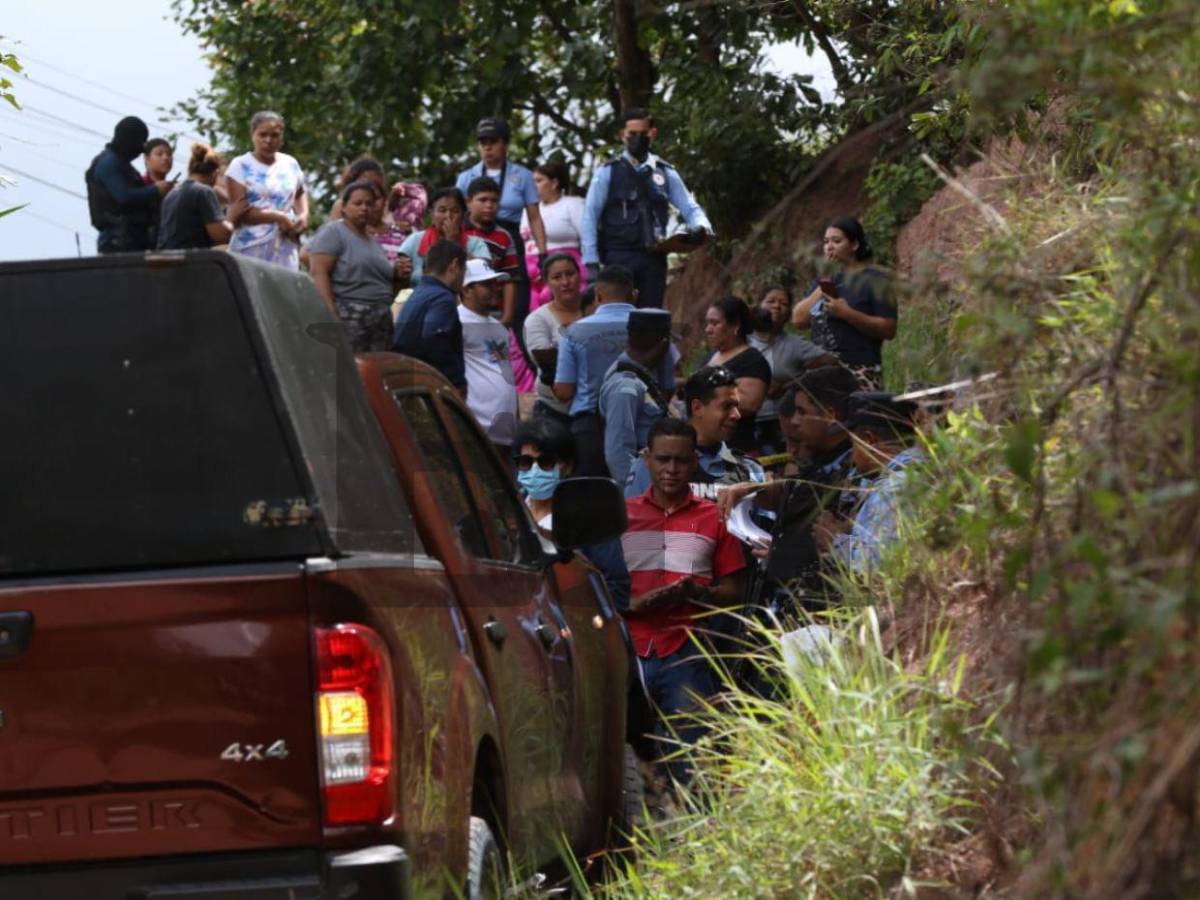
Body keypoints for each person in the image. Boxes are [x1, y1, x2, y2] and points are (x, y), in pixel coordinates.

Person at [622, 417, 747, 784]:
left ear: (694, 462)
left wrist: (697, 593)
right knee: (622, 753)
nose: (671, 470)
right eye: (663, 460)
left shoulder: (716, 518)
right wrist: (636, 603)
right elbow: (598, 583)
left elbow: (734, 593)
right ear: (647, 459)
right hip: (627, 647)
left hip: (686, 650)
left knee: (691, 763)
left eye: (680, 461)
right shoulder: (622, 516)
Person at [717, 365, 862, 613]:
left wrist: (783, 555)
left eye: (802, 412)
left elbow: (836, 546)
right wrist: (755, 490)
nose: (795, 421)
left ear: (829, 415)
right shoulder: (825, 460)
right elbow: (802, 489)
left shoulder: (857, 473)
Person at [581, 107, 712, 309]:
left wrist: (701, 228)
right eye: (632, 134)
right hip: (618, 256)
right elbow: (590, 216)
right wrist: (591, 262)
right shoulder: (608, 172)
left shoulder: (664, 171)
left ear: (653, 134)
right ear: (622, 135)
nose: (638, 139)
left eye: (643, 134)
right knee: (618, 316)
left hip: (654, 257)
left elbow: (690, 207)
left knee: (651, 318)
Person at [553, 264, 677, 476]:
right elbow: (666, 388)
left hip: (590, 431)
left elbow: (564, 391)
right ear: (634, 295)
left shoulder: (574, 331)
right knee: (640, 498)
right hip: (644, 428)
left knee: (594, 497)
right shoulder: (655, 327)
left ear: (597, 295)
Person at [513, 418, 630, 612]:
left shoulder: (588, 518)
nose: (535, 470)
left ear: (567, 466)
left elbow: (616, 585)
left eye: (546, 462)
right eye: (526, 462)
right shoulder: (505, 511)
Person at [456, 116, 548, 339]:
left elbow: (534, 217)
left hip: (510, 237)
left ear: (505, 144)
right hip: (473, 234)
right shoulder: (467, 176)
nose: (487, 147)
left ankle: (514, 343)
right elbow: (457, 212)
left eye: (493, 141)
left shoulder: (523, 176)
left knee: (516, 297)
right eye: (482, 141)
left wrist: (543, 252)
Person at [815, 392, 923, 573]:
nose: (851, 454)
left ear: (869, 440)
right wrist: (849, 530)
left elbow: (876, 567)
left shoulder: (894, 489)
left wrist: (833, 541)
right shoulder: (918, 472)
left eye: (853, 444)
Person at [625, 365, 765, 499]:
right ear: (697, 408)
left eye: (736, 406)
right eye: (726, 406)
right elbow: (635, 518)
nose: (736, 415)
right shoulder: (653, 462)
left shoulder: (748, 469)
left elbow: (764, 521)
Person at [792, 217, 898, 389]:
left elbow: (889, 329)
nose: (829, 247)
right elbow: (799, 320)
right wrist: (825, 283)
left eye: (836, 241)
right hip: (822, 371)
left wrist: (848, 314)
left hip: (860, 371)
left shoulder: (876, 279)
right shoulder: (824, 282)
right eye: (826, 242)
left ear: (854, 245)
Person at [308, 180, 410, 351]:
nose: (364, 208)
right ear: (344, 207)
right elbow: (318, 273)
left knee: (374, 374)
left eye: (369, 204)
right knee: (350, 372)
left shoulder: (373, 242)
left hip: (380, 318)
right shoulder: (334, 232)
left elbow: (385, 285)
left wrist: (398, 275)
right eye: (358, 203)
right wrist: (332, 317)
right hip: (350, 316)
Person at [748, 285, 836, 455]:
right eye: (770, 301)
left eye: (783, 303)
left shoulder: (796, 345)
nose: (776, 306)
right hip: (747, 423)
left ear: (789, 313)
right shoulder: (742, 342)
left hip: (784, 424)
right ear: (758, 306)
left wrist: (789, 385)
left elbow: (832, 364)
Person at [599, 309, 673, 488]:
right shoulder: (626, 387)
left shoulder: (641, 375)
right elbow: (618, 454)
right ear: (663, 344)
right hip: (642, 491)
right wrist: (637, 496)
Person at [226, 111, 308, 270]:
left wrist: (303, 215)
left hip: (285, 244)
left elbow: (299, 192)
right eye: (262, 135)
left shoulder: (290, 163)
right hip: (251, 246)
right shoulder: (240, 165)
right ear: (253, 135)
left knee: (283, 293)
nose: (268, 140)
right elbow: (241, 210)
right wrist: (278, 217)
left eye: (274, 135)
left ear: (281, 137)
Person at [85, 116, 174, 253]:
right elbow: (124, 197)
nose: (141, 147)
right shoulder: (109, 163)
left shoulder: (121, 164)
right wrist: (155, 190)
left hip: (133, 240)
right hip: (118, 241)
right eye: (140, 141)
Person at [392, 239, 469, 392]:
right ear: (454, 266)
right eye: (464, 270)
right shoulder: (442, 298)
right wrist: (456, 381)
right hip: (425, 385)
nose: (464, 277)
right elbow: (433, 335)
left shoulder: (419, 293)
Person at [458, 258, 518, 455]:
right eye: (487, 284)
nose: (495, 289)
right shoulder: (455, 321)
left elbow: (505, 373)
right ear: (466, 289)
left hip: (505, 431)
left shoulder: (498, 326)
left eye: (495, 284)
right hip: (476, 428)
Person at [523, 253, 586, 428]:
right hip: (554, 410)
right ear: (547, 283)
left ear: (579, 275)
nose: (565, 282)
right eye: (557, 277)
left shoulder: (596, 312)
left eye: (570, 274)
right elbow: (546, 361)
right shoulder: (537, 319)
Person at [705, 296, 772, 454]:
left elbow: (748, 404)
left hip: (735, 448)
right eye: (707, 323)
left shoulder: (751, 361)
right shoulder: (708, 358)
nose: (708, 329)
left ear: (735, 325)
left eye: (715, 323)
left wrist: (704, 397)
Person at [521, 160, 587, 312]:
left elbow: (587, 239)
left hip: (563, 270)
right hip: (531, 273)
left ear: (554, 182)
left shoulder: (573, 204)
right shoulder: (527, 211)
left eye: (538, 181)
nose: (533, 186)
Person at [157, 142, 244, 250]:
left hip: (167, 258)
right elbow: (221, 236)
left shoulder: (171, 194)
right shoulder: (203, 191)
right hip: (190, 261)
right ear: (215, 174)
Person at [396, 187, 490, 282]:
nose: (448, 216)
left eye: (455, 211)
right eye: (442, 210)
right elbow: (400, 277)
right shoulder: (414, 240)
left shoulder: (476, 244)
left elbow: (482, 275)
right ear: (431, 214)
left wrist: (454, 243)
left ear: (463, 216)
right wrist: (399, 270)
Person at [463, 177, 519, 327]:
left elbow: (511, 279)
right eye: (483, 200)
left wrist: (507, 317)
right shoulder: (458, 231)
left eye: (494, 201)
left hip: (493, 313)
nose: (489, 205)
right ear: (468, 201)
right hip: (460, 310)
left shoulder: (505, 236)